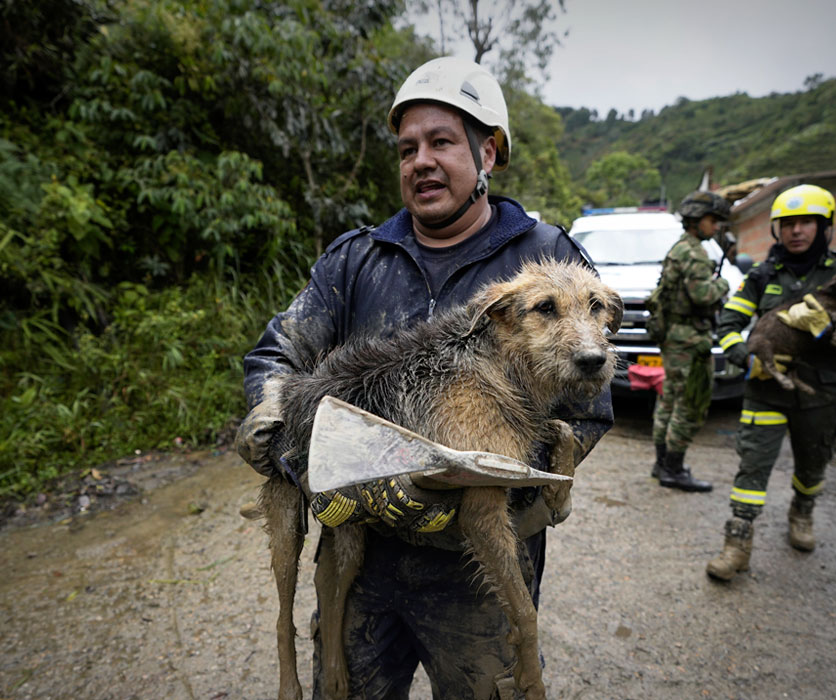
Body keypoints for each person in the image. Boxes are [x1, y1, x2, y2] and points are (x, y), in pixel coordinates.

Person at [236, 56, 614, 698]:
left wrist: (495, 487)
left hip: (479, 575)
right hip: (361, 553)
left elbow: (588, 402)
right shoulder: (356, 258)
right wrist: (278, 431)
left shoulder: (543, 262)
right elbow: (279, 352)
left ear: (487, 153)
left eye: (442, 142)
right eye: (408, 148)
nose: (421, 162)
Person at [706, 184, 836, 581]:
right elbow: (730, 324)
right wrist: (745, 357)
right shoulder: (763, 275)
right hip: (768, 388)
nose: (796, 231)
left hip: (828, 391)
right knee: (752, 466)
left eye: (806, 222)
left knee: (813, 462)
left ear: (825, 227)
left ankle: (802, 512)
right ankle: (737, 543)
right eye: (787, 224)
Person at [649, 190, 733, 492]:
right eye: (712, 220)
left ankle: (663, 463)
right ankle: (673, 468)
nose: (716, 226)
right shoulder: (695, 252)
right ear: (697, 221)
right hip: (690, 340)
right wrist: (723, 283)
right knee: (690, 402)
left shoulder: (678, 248)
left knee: (669, 398)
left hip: (674, 335)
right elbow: (703, 295)